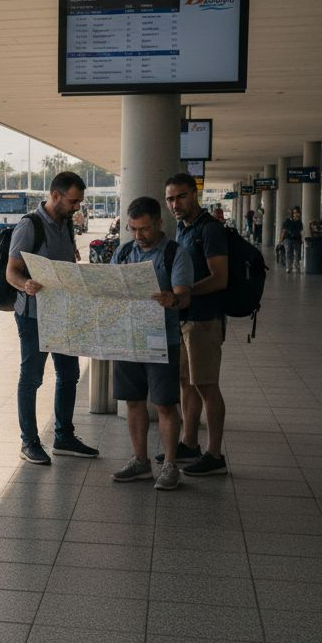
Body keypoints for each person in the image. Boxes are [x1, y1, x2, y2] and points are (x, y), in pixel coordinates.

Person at [5, 171, 98, 465]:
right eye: (73, 201)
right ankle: (29, 442)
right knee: (31, 378)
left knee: (69, 374)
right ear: (55, 196)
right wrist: (25, 284)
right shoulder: (29, 226)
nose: (76, 208)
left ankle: (63, 436)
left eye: (79, 202)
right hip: (33, 316)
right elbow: (12, 272)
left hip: (63, 312)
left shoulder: (67, 224)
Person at [109, 196, 192, 490]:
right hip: (127, 339)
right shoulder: (122, 253)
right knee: (133, 401)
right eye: (132, 229)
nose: (138, 236)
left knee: (165, 404)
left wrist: (174, 298)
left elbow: (184, 293)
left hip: (161, 341)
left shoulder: (175, 253)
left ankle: (170, 466)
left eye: (143, 229)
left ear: (158, 223)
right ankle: (140, 461)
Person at [165, 172, 228, 476]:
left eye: (181, 196)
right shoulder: (183, 228)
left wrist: (186, 293)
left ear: (194, 194)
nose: (175, 203)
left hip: (204, 320)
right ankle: (189, 443)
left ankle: (215, 454)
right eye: (170, 199)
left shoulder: (210, 229)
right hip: (186, 318)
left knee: (206, 386)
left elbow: (220, 278)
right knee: (186, 383)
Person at [281, 207, 305, 272]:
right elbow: (284, 230)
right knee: (288, 252)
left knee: (297, 253)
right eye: (294, 213)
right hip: (288, 239)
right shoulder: (287, 221)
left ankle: (297, 266)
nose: (296, 214)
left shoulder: (299, 222)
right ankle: (289, 267)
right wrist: (280, 241)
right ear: (292, 214)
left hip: (297, 239)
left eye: (297, 213)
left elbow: (301, 231)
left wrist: (303, 239)